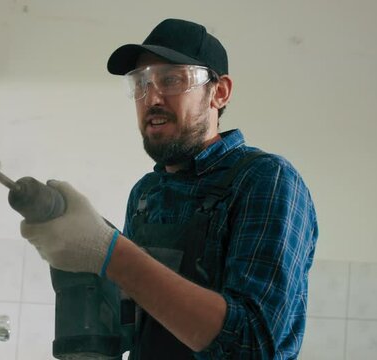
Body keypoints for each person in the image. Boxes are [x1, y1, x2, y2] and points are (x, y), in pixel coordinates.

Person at [20, 18, 318, 359]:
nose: (152, 97)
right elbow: (133, 327)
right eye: (140, 84)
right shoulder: (147, 194)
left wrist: (109, 253)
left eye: (172, 80)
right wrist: (80, 266)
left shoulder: (266, 180)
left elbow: (250, 346)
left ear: (219, 93)